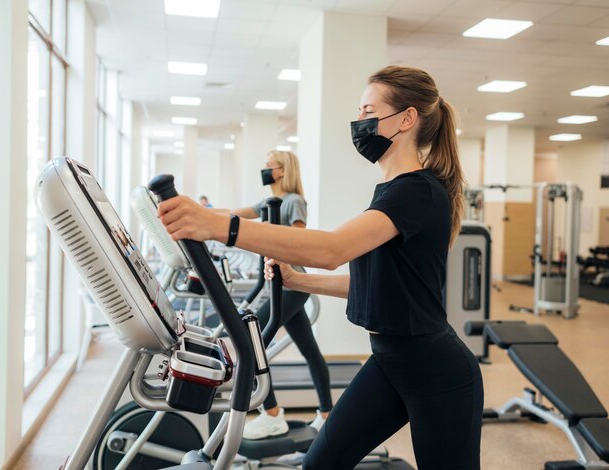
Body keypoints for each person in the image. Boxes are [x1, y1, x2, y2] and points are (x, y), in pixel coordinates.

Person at [159, 65, 484, 469]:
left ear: (406, 119)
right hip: (389, 362)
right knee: (320, 465)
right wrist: (299, 280)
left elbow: (332, 248)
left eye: (369, 111)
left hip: (436, 372)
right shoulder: (393, 191)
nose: (360, 122)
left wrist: (219, 227)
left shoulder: (416, 191)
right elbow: (374, 285)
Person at [210, 149, 332, 439]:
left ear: (282, 170)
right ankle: (327, 415)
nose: (264, 169)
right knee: (310, 351)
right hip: (276, 285)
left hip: (291, 284)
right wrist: (198, 213)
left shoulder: (294, 202)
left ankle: (273, 413)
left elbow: (300, 241)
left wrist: (272, 240)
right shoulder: (267, 202)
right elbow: (234, 215)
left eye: (269, 165)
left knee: (249, 345)